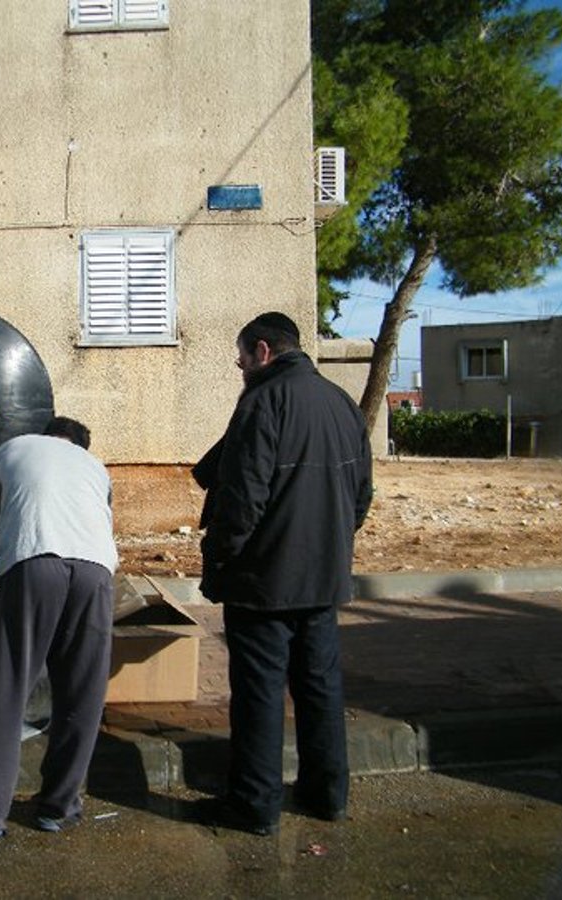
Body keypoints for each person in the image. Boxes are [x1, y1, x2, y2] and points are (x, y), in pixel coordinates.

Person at [197, 312, 373, 836]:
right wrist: (333, 544)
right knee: (320, 688)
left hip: (263, 581)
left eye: (242, 358)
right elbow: (361, 497)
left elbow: (242, 498)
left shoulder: (262, 402)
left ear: (263, 352)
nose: (241, 368)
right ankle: (327, 795)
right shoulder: (342, 404)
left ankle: (254, 805)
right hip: (323, 579)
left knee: (260, 693)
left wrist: (221, 559)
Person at [0, 416, 118, 838]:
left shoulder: (14, 448)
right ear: (79, 444)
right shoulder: (96, 468)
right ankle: (58, 807)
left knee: (8, 687)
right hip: (95, 574)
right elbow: (99, 528)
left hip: (34, 568)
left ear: (46, 433)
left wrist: (6, 548)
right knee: (82, 692)